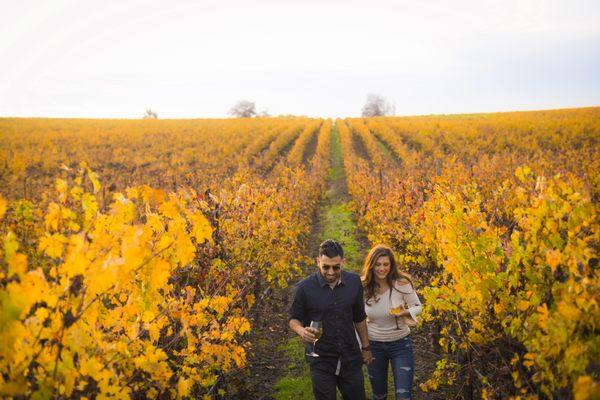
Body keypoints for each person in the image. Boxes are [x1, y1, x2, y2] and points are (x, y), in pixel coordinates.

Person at [289, 239, 374, 400]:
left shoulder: (354, 282)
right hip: (321, 359)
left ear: (343, 262)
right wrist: (301, 331)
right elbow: (294, 318)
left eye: (336, 267)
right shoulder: (304, 288)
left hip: (350, 357)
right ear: (318, 262)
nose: (330, 272)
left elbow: (359, 317)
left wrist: (366, 347)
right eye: (325, 267)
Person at [361, 244, 422, 400]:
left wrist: (406, 312)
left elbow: (418, 307)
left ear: (391, 265)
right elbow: (357, 318)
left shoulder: (401, 283)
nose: (382, 268)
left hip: (401, 345)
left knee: (403, 396)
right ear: (371, 265)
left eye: (386, 264)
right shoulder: (363, 287)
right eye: (378, 264)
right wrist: (364, 347)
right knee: (379, 395)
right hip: (374, 346)